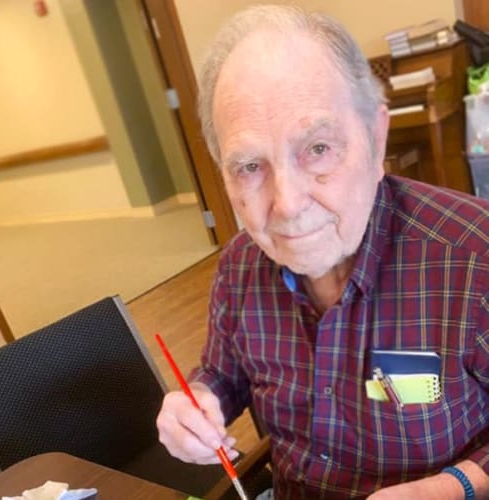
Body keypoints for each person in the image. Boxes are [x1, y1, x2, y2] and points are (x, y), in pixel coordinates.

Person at [156, 5, 489, 499]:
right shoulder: (238, 269)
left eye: (317, 149)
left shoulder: (475, 259)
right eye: (250, 165)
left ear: (376, 139)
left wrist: (457, 485)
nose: (287, 205)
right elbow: (224, 374)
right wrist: (200, 400)